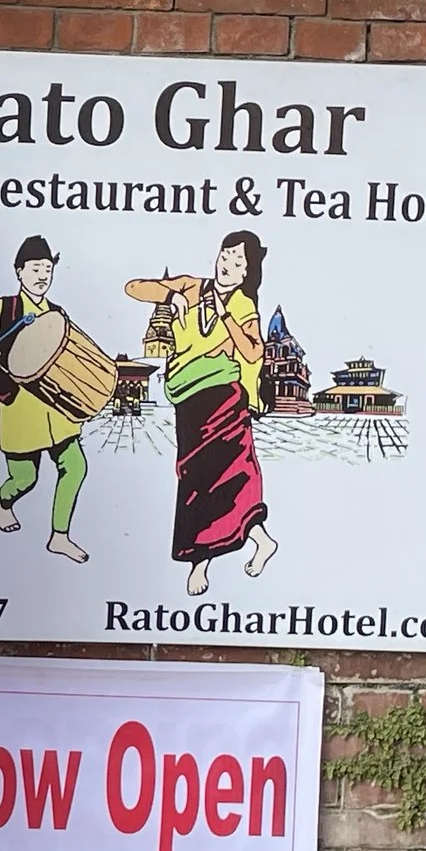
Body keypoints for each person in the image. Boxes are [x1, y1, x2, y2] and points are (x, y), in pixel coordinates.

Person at [127, 229, 279, 595]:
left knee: (233, 477)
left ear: (247, 273)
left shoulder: (243, 306)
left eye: (238, 262)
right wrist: (172, 294)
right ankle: (225, 551)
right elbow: (133, 287)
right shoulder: (194, 288)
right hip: (189, 401)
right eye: (225, 256)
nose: (228, 265)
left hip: (225, 399)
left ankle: (229, 551)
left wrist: (228, 318)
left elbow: (254, 351)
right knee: (194, 479)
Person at [0, 234, 91, 562]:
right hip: (20, 407)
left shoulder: (57, 313)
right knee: (25, 478)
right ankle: (2, 500)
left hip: (57, 408)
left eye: (48, 269)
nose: (42, 275)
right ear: (19, 271)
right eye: (35, 268)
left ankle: (59, 536)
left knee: (75, 466)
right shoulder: (2, 309)